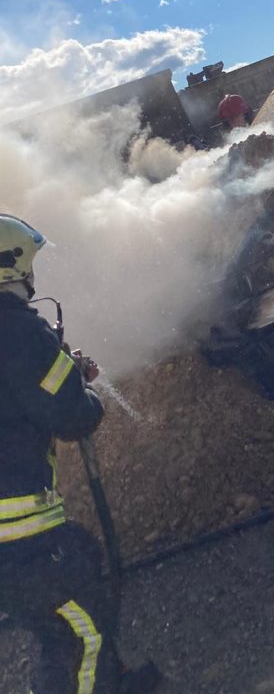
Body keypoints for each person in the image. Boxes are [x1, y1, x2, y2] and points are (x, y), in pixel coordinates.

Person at [0, 214, 159, 694]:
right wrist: (79, 385)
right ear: (14, 266)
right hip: (18, 538)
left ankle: (112, 681)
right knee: (78, 632)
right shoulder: (18, 331)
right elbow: (73, 416)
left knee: (63, 622)